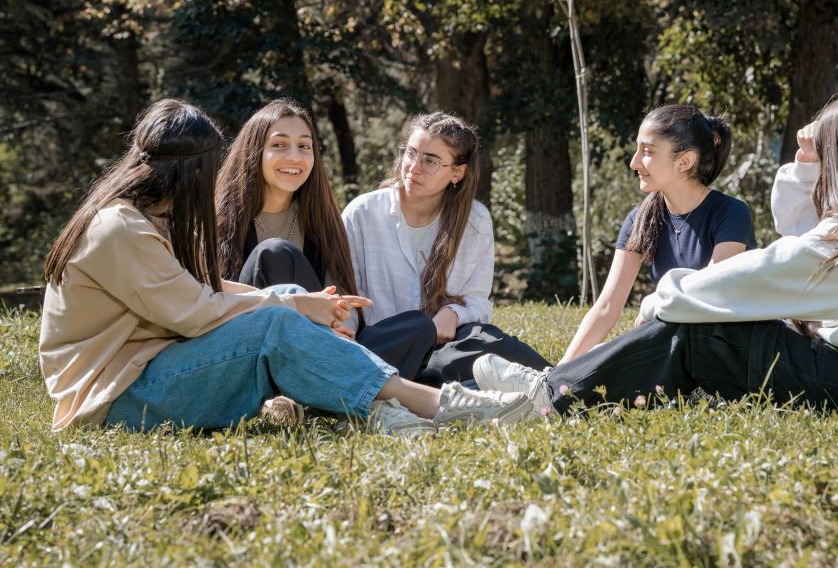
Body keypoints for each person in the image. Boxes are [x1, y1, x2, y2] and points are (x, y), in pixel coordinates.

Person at [473, 83, 838, 416]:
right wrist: (809, 162)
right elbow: (803, 229)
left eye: (829, 150)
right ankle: (558, 382)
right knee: (712, 330)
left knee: (706, 332)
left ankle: (548, 395)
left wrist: (667, 295)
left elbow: (773, 267)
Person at [38, 99, 532, 434]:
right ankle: (435, 405)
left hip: (140, 374)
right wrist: (291, 303)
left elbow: (203, 286)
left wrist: (296, 301)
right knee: (275, 322)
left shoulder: (143, 221)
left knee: (281, 315)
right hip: (110, 397)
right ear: (189, 172)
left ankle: (403, 406)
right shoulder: (120, 229)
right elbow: (194, 311)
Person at [216, 99, 436, 380]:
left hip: (322, 347)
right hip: (252, 352)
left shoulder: (322, 221)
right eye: (279, 145)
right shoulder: (219, 220)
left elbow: (339, 297)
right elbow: (212, 303)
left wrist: (342, 326)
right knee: (274, 254)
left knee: (418, 326)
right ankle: (354, 381)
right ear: (255, 151)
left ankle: (337, 381)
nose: (295, 157)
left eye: (305, 146)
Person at [341, 112, 551, 387]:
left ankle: (560, 385)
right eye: (411, 153)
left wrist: (452, 314)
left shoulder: (474, 220)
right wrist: (343, 341)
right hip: (377, 349)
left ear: (457, 172)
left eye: (429, 161)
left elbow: (477, 299)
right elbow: (344, 293)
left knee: (488, 340)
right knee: (418, 325)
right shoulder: (363, 213)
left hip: (438, 352)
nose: (413, 167)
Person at [559, 105, 755, 364]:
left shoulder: (731, 213)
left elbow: (708, 294)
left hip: (724, 351)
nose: (634, 162)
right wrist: (561, 369)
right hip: (669, 343)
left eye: (648, 151)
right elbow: (607, 307)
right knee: (593, 359)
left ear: (685, 161)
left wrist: (654, 305)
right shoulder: (640, 218)